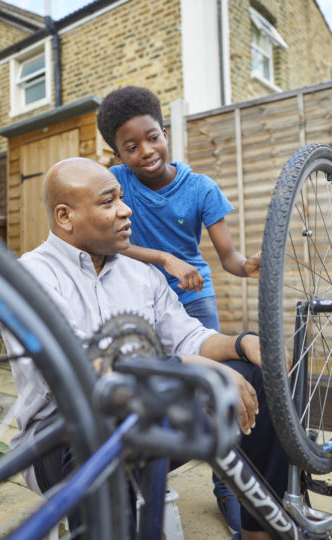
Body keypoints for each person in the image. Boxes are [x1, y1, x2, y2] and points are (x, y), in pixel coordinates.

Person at [2, 158, 288, 540]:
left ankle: (259, 532)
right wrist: (196, 368)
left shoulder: (141, 273)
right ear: (65, 217)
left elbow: (187, 336)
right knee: (99, 431)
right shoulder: (31, 276)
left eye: (121, 197)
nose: (126, 209)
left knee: (255, 375)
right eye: (108, 202)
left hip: (145, 418)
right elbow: (83, 373)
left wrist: (242, 342)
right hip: (61, 442)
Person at [97, 85, 261, 536]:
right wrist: (165, 258)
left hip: (192, 298)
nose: (145, 151)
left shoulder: (201, 188)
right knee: (157, 382)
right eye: (130, 147)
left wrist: (246, 265)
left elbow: (227, 258)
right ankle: (145, 470)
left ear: (165, 132)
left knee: (217, 387)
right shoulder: (115, 183)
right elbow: (118, 243)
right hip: (137, 295)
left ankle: (231, 485)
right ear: (117, 153)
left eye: (152, 137)